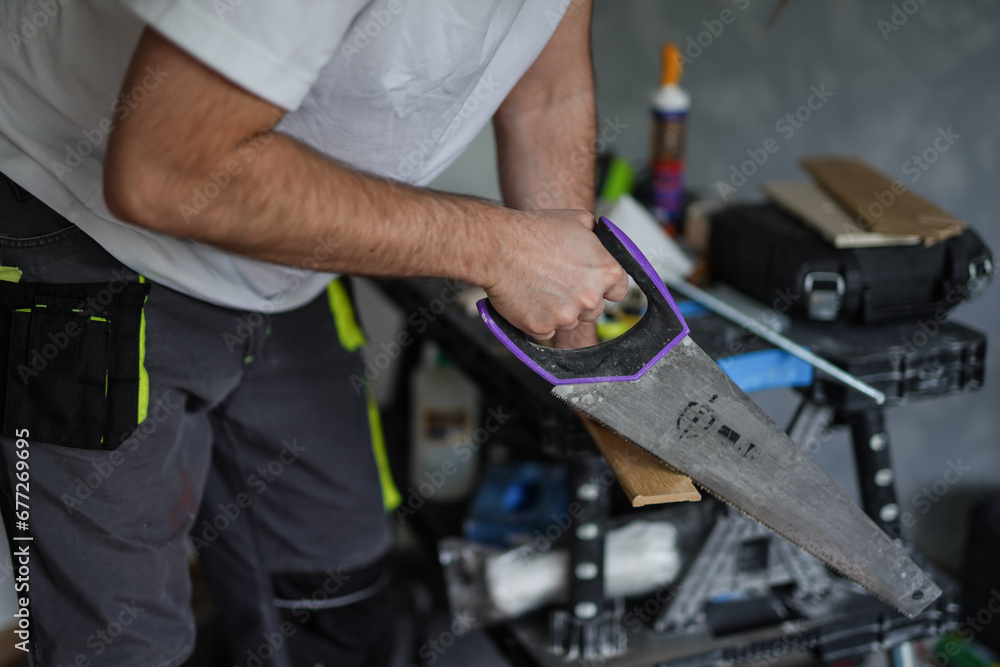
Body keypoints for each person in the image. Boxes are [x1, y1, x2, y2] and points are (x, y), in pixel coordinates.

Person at [0, 0, 628, 664]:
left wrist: (571, 313)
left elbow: (548, 92)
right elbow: (161, 169)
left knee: (339, 597)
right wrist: (500, 250)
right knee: (118, 647)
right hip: (83, 230)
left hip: (288, 259)